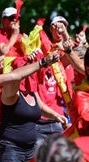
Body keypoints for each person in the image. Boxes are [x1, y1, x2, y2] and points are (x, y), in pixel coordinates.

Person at [0, 55, 67, 162]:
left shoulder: (32, 94)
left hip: (31, 148)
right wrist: (39, 62)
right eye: (27, 70)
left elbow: (41, 108)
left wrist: (56, 116)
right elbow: (16, 77)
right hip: (12, 149)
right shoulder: (9, 93)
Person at [35, 15, 85, 144]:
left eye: (64, 25)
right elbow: (60, 61)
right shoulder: (44, 47)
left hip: (71, 106)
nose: (61, 27)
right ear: (51, 27)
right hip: (50, 110)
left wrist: (65, 35)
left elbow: (76, 58)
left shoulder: (71, 47)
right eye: (58, 25)